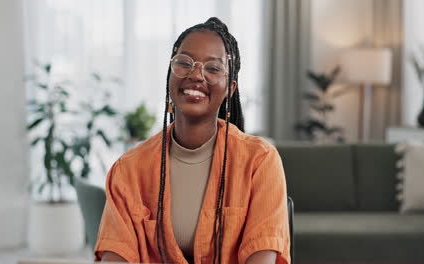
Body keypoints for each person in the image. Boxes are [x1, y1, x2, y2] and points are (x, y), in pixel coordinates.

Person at [94, 17, 290, 264]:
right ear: (170, 75)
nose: (196, 75)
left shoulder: (260, 161)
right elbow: (116, 256)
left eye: (213, 68)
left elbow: (262, 257)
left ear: (230, 88)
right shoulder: (128, 169)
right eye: (184, 63)